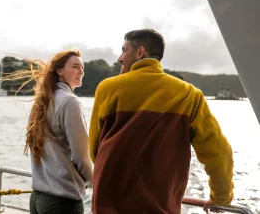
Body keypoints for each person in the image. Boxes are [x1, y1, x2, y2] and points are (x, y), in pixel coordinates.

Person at [89, 29, 234, 214]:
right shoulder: (189, 95)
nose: (119, 58)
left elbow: (95, 149)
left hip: (109, 206)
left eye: (124, 50)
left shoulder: (107, 89)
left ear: (140, 52)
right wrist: (220, 198)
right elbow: (218, 152)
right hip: (161, 208)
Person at [5, 50, 93, 214]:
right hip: (62, 200)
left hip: (38, 199)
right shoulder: (70, 102)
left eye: (82, 68)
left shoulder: (42, 102)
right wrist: (93, 183)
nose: (81, 71)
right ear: (60, 71)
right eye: (75, 66)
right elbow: (82, 157)